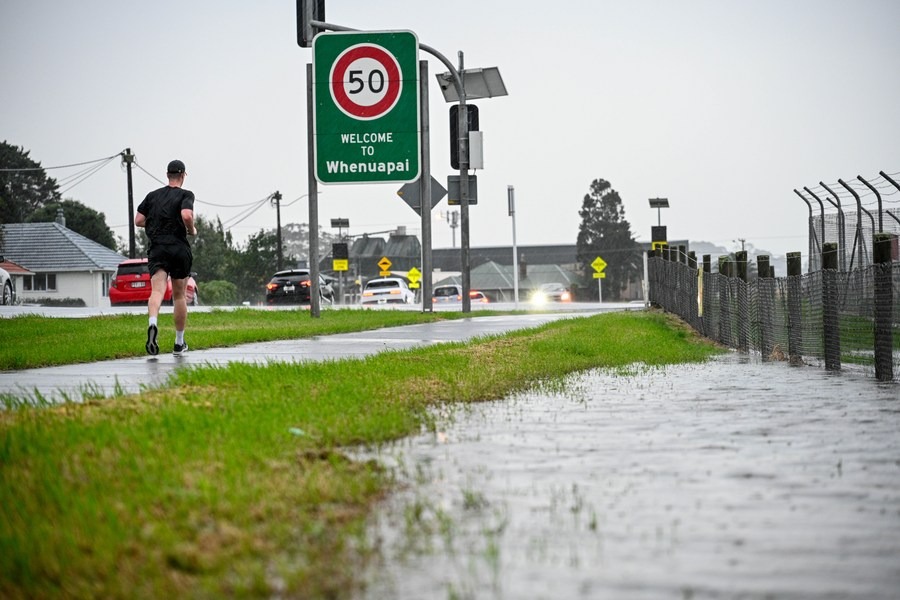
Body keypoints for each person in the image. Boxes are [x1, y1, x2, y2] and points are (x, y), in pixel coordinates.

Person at [135, 159, 197, 356]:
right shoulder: (185, 194)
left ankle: (153, 323)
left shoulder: (152, 196)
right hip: (178, 247)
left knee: (157, 291)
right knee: (179, 295)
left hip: (157, 248)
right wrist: (191, 229)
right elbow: (187, 215)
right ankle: (179, 343)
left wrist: (157, 224)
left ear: (167, 175)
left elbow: (138, 220)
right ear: (183, 175)